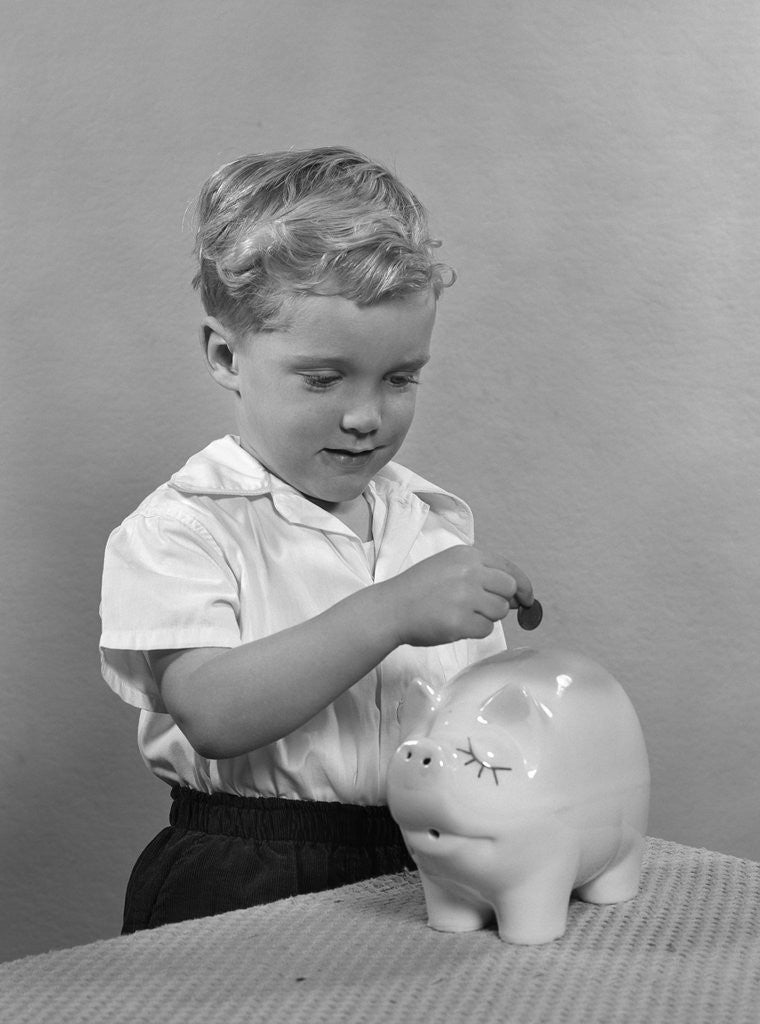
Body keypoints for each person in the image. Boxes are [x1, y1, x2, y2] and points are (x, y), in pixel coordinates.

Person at [99, 146, 535, 933]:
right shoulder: (181, 530)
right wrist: (390, 612)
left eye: (400, 378)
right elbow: (212, 712)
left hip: (423, 863)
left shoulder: (429, 522)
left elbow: (468, 723)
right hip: (245, 874)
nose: (366, 416)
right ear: (226, 355)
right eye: (324, 378)